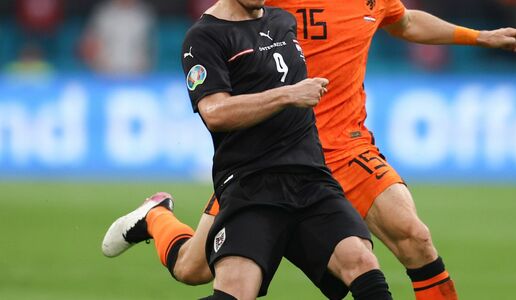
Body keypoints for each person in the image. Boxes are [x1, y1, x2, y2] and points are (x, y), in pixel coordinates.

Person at [103, 0, 516, 298]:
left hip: (344, 147)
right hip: (267, 154)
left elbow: (405, 22)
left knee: (414, 236)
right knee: (192, 269)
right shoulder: (262, 6)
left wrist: (479, 37)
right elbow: (226, 30)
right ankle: (156, 217)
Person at [103, 1, 394, 299]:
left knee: (363, 263)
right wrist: (288, 95)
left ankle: (155, 216)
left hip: (310, 179)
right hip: (252, 186)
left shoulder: (283, 21)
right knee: (211, 279)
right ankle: (156, 217)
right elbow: (215, 112)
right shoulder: (204, 38)